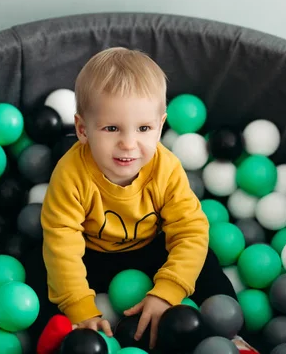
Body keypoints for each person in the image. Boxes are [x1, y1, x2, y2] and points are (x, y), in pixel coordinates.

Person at [40, 47, 258, 352]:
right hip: (91, 254)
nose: (128, 143)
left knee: (205, 263)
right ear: (82, 129)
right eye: (111, 128)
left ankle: (233, 337)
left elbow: (190, 231)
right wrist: (80, 307)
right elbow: (62, 243)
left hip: (153, 247)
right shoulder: (70, 175)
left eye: (143, 128)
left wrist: (167, 291)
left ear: (160, 126)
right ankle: (52, 340)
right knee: (43, 267)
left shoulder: (166, 168)